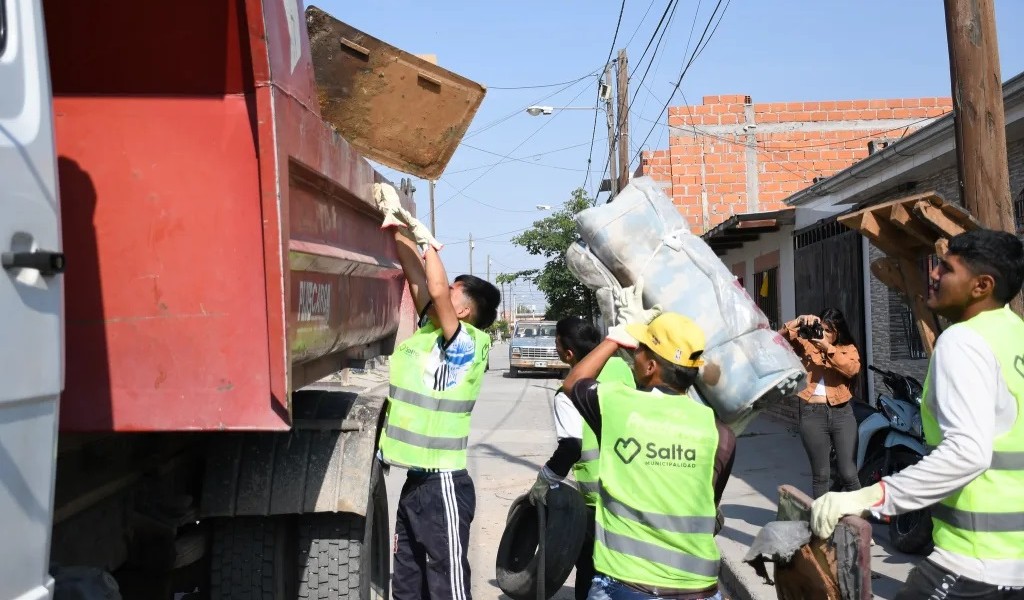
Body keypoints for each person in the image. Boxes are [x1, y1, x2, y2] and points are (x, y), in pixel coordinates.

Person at [811, 229, 1024, 599]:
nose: (933, 275)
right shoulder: (1015, 334)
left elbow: (967, 453)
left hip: (974, 563)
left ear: (981, 285)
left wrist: (866, 498)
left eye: (946, 268)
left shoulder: (964, 341)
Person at [373, 183, 501, 600]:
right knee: (407, 584)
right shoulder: (432, 331)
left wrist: (430, 244)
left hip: (444, 481)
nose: (440, 291)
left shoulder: (467, 344)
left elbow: (436, 288)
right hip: (417, 481)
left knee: (447, 585)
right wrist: (398, 227)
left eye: (452, 290)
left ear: (463, 310)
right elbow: (416, 276)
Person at [561, 302, 736, 600]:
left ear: (652, 366)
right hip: (699, 589)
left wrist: (613, 339)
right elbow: (707, 504)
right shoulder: (719, 433)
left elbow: (573, 383)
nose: (634, 356)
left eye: (639, 350)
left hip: (626, 586)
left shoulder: (617, 405)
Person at [528, 316, 637, 600]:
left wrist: (545, 480)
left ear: (569, 353)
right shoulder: (624, 370)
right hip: (635, 490)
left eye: (556, 345)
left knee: (590, 567)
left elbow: (571, 448)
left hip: (597, 501)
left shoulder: (568, 391)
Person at [780, 307, 862, 498]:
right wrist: (798, 321)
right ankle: (823, 524)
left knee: (848, 473)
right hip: (813, 414)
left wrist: (828, 348)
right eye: (821, 329)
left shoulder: (847, 349)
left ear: (837, 331)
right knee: (821, 475)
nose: (822, 334)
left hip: (842, 413)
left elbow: (852, 369)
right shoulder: (807, 345)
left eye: (828, 330)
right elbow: (777, 340)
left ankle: (860, 520)